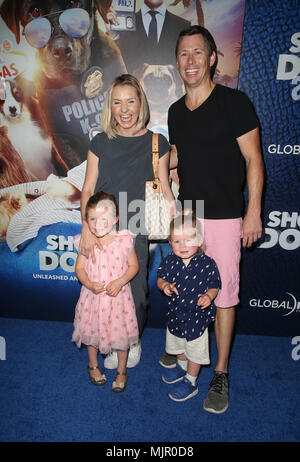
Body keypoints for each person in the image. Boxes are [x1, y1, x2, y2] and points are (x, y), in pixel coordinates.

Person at [161, 25, 264, 413]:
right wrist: (156, 160)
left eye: (197, 53)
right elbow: (178, 157)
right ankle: (187, 348)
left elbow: (254, 159)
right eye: (184, 54)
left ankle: (219, 372)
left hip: (223, 217)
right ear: (177, 61)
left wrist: (253, 211)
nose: (190, 61)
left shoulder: (235, 103)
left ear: (212, 58)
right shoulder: (173, 111)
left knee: (222, 296)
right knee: (185, 286)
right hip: (189, 218)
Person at [79, 74, 175, 369]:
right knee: (104, 290)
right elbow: (87, 187)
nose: (124, 109)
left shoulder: (157, 142)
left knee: (137, 293)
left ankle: (131, 340)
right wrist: (87, 229)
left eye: (130, 101)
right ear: (110, 107)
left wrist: (179, 225)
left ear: (140, 104)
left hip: (137, 227)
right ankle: (111, 340)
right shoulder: (99, 142)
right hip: (101, 230)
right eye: (117, 102)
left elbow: (165, 187)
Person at [72, 191, 139, 391]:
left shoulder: (125, 240)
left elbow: (133, 266)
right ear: (87, 220)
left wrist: (120, 281)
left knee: (120, 335)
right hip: (92, 298)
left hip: (118, 299)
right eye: (92, 218)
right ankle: (93, 365)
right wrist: (89, 284)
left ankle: (121, 370)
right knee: (90, 331)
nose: (97, 223)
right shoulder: (86, 242)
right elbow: (79, 268)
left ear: (115, 219)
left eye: (104, 218)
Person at [157, 210, 221, 402]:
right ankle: (181, 368)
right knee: (178, 347)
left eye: (188, 239)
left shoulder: (208, 264)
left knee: (194, 352)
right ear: (170, 243)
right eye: (177, 241)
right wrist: (164, 286)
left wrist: (209, 296)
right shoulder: (170, 261)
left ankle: (190, 381)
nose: (182, 245)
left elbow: (215, 285)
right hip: (176, 316)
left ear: (200, 239)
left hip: (197, 319)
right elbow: (160, 278)